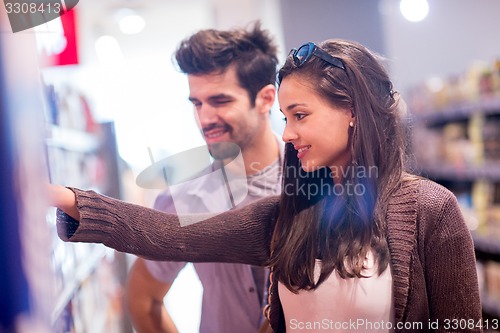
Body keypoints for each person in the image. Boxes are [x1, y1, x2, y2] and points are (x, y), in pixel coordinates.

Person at [51, 38, 482, 333]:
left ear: (351, 110)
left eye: (300, 115)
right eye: (286, 118)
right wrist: (59, 195)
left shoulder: (429, 208)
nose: (289, 133)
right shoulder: (289, 212)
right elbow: (172, 237)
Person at [125, 23, 283, 333]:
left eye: (220, 101)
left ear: (265, 99)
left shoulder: (319, 180)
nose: (205, 119)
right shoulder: (183, 198)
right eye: (196, 103)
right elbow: (142, 299)